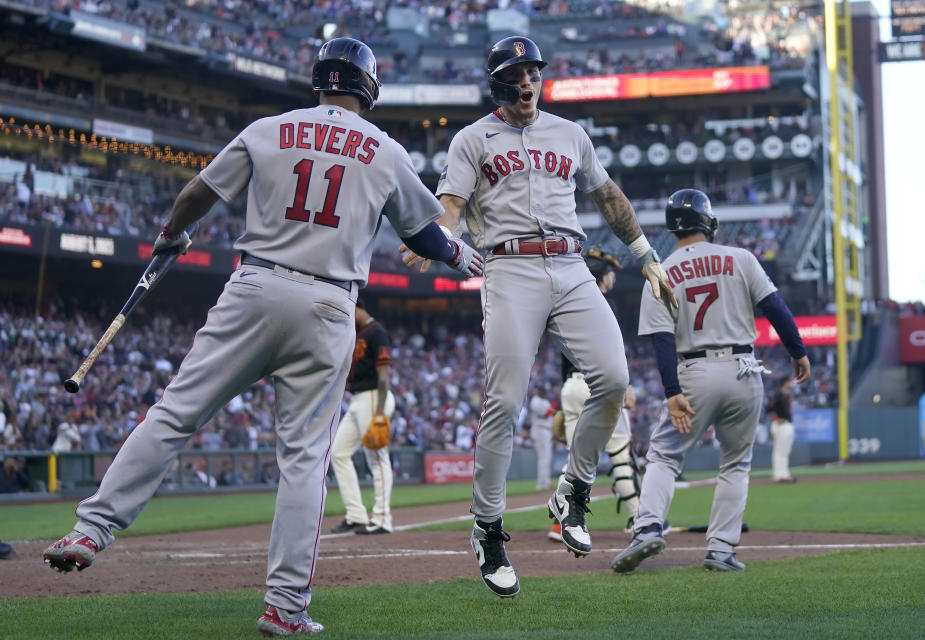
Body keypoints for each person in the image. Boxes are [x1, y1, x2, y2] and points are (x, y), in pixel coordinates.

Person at [42, 37, 482, 637]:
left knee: (173, 414)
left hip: (254, 286)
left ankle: (90, 529)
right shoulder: (383, 148)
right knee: (304, 462)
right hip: (330, 305)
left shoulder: (270, 127)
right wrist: (465, 257)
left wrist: (174, 234)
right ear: (367, 87)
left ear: (319, 81)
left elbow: (196, 194)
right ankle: (283, 608)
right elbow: (428, 235)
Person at [400, 36, 675, 598]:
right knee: (504, 401)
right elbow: (450, 204)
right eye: (516, 73)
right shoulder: (472, 139)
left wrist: (645, 255)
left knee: (615, 379)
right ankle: (488, 529)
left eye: (533, 72)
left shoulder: (569, 134)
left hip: (571, 264)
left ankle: (572, 490)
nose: (528, 81)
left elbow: (607, 195)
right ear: (498, 83)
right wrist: (435, 238)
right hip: (509, 268)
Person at [610, 189, 810, 575]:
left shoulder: (661, 269)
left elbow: (662, 340)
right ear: (709, 221)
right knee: (736, 464)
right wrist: (797, 352)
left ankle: (648, 526)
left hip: (695, 370)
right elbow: (775, 308)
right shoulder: (741, 258)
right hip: (742, 369)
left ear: (672, 227)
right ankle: (720, 550)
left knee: (665, 456)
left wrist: (672, 392)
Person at [548, 247, 644, 542]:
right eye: (611, 273)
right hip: (597, 385)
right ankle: (638, 519)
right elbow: (611, 353)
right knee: (620, 453)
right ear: (604, 277)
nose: (614, 277)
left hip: (570, 387)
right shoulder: (602, 304)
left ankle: (557, 522)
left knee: (577, 455)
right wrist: (624, 386)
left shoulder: (565, 303)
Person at [329, 299, 397, 535]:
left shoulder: (376, 332)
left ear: (358, 307)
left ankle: (382, 518)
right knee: (338, 453)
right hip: (359, 399)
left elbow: (383, 376)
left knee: (377, 459)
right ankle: (356, 515)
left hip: (373, 398)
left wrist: (379, 414)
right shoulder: (355, 332)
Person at [768, 376, 797, 483]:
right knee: (779, 451)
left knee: (784, 451)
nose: (791, 383)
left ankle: (784, 474)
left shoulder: (786, 395)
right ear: (785, 382)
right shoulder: (778, 395)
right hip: (780, 425)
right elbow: (768, 408)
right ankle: (777, 475)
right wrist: (776, 417)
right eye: (790, 381)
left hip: (787, 424)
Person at [526, 387, 556, 491]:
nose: (545, 392)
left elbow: (551, 412)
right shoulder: (535, 401)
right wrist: (554, 404)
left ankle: (545, 482)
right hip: (540, 430)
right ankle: (542, 483)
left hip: (547, 430)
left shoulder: (544, 400)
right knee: (544, 457)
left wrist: (553, 407)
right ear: (539, 391)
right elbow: (545, 414)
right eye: (543, 391)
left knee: (547, 457)